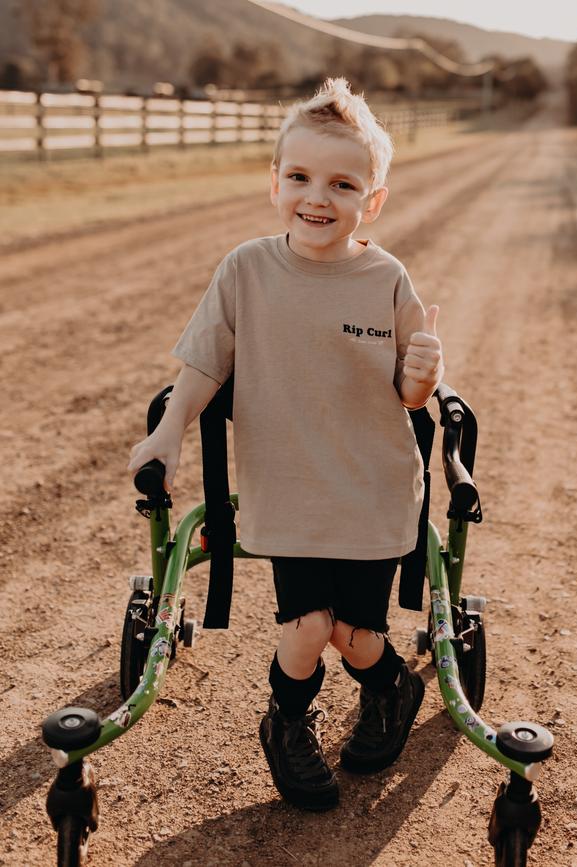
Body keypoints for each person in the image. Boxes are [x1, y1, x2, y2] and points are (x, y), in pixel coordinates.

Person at [128, 78, 444, 812]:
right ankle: (288, 723)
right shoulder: (247, 269)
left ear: (373, 199)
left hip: (372, 484)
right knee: (304, 628)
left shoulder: (385, 276)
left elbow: (409, 392)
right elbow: (205, 363)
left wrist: (424, 375)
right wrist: (168, 430)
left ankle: (390, 683)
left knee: (355, 633)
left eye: (342, 183)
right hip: (292, 485)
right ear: (275, 183)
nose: (317, 197)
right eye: (299, 177)